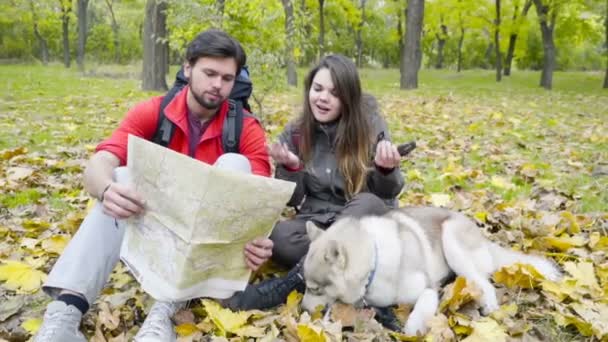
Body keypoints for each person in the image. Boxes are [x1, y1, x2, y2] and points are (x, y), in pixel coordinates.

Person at [34, 29, 274, 342]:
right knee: (118, 178)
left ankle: (165, 314)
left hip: (208, 245)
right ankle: (65, 312)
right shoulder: (154, 111)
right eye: (210, 73)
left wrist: (259, 240)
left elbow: (262, 202)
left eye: (227, 78)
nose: (218, 85)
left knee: (235, 165)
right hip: (153, 227)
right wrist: (107, 190)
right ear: (188, 68)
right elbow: (99, 164)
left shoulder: (245, 127)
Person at [224, 54, 405, 311]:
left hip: (363, 225)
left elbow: (386, 196)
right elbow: (295, 199)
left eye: (334, 93)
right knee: (278, 236)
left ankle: (290, 283)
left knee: (368, 202)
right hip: (317, 221)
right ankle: (333, 270)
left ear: (348, 98)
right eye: (317, 89)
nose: (322, 98)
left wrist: (386, 171)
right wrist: (290, 168)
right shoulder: (297, 131)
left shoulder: (370, 125)